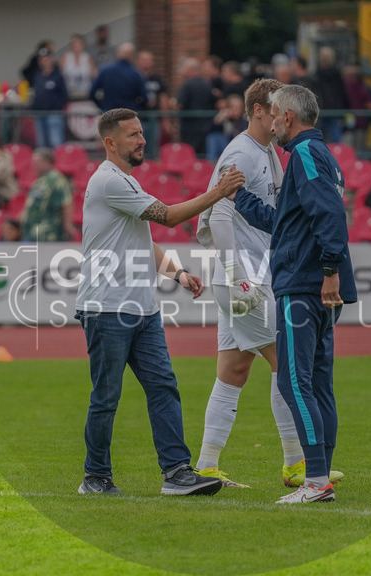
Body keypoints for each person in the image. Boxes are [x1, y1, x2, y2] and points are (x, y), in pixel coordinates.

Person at [75, 107, 245, 496]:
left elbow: (140, 240)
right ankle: (95, 477)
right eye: (133, 135)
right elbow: (166, 217)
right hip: (106, 308)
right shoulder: (109, 181)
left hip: (141, 308)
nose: (142, 140)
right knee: (106, 397)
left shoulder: (125, 182)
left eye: (140, 133)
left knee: (164, 387)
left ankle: (177, 473)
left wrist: (178, 273)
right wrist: (218, 192)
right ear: (110, 143)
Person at [193, 78, 345, 489]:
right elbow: (218, 216)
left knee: (234, 369)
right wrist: (236, 276)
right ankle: (299, 463)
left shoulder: (268, 154)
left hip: (255, 277)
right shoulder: (240, 152)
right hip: (243, 280)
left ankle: (206, 465)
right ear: (260, 110)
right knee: (290, 364)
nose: (278, 116)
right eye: (273, 108)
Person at [232, 84, 357, 504]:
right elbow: (285, 222)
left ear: (287, 116)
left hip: (305, 285)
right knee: (318, 383)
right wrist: (239, 197)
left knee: (294, 383)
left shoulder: (303, 155)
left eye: (275, 115)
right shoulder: (320, 156)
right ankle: (320, 475)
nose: (272, 123)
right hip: (313, 284)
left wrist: (329, 271)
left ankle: (316, 480)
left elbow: (329, 215)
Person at [21, 147, 73, 242]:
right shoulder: (40, 180)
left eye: (37, 161)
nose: (33, 165)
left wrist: (67, 224)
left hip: (48, 235)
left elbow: (66, 202)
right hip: (32, 233)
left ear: (47, 162)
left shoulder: (57, 180)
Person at [29, 45, 69, 149]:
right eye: (41, 59)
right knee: (42, 144)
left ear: (51, 59)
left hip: (53, 114)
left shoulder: (57, 76)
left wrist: (57, 108)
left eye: (46, 58)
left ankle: (59, 164)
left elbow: (64, 95)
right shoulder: (38, 75)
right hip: (40, 114)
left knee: (56, 142)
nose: (44, 61)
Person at [90, 43, 147, 113]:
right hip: (128, 114)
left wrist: (102, 106)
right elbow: (145, 98)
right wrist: (135, 108)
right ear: (132, 56)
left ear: (118, 54)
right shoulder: (136, 74)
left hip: (109, 113)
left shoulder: (105, 70)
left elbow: (92, 92)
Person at [176, 58, 214, 155]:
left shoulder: (187, 84)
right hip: (204, 126)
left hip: (188, 127)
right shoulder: (207, 84)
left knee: (188, 154)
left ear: (190, 70)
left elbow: (180, 104)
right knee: (201, 155)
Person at [314, 47, 350, 145]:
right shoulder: (336, 74)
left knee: (323, 137)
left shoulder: (317, 74)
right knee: (335, 137)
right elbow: (342, 93)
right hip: (334, 109)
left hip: (323, 109)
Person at [136, 50, 168, 159]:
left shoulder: (157, 79)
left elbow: (163, 99)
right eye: (144, 60)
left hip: (154, 118)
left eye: (150, 60)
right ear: (138, 62)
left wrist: (165, 120)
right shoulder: (134, 78)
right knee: (137, 147)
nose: (147, 62)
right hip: (139, 118)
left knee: (153, 149)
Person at [342, 65, 371, 152]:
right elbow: (370, 105)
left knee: (347, 147)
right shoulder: (363, 88)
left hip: (347, 120)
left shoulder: (344, 88)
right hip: (361, 120)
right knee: (358, 149)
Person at [61, 35, 96, 101]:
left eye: (77, 43)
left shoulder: (87, 57)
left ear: (83, 45)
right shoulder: (65, 56)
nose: (75, 45)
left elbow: (94, 74)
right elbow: (59, 74)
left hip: (85, 92)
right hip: (69, 93)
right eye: (73, 43)